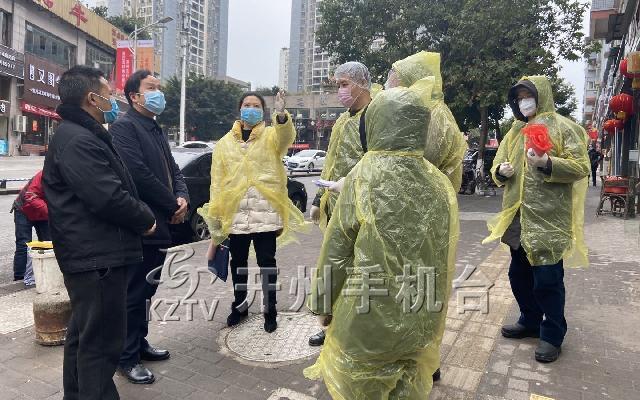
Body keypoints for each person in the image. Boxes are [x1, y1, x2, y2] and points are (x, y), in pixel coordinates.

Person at [304, 82, 459, 399]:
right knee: (407, 383)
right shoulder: (439, 183)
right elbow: (444, 254)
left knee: (361, 385)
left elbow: (338, 250)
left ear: (374, 122)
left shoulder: (363, 175)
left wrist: (323, 302)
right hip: (422, 306)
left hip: (368, 313)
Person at [42, 65, 156, 400]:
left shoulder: (81, 134)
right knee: (101, 345)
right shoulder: (77, 139)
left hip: (93, 256)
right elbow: (107, 196)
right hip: (97, 258)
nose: (113, 99)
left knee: (84, 338)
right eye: (109, 93)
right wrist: (145, 219)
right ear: (92, 98)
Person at [484, 75, 590, 363]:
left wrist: (547, 164)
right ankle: (529, 320)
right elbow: (496, 164)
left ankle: (552, 334)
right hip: (518, 219)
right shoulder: (514, 132)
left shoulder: (564, 128)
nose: (523, 102)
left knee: (547, 279)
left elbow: (581, 166)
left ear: (540, 95)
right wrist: (501, 172)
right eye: (517, 98)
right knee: (518, 275)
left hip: (548, 220)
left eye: (526, 95)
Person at [199, 91, 306, 333]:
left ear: (262, 111)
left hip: (265, 214)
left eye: (256, 105)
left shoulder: (271, 137)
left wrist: (281, 115)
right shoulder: (224, 143)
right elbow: (217, 180)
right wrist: (215, 216)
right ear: (239, 109)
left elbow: (286, 138)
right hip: (235, 215)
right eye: (247, 105)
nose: (251, 108)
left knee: (267, 264)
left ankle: (271, 311)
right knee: (238, 265)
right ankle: (240, 306)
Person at [110, 69, 189, 384]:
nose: (159, 93)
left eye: (160, 87)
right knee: (133, 293)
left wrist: (183, 197)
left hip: (162, 225)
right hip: (142, 225)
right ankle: (125, 358)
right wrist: (173, 204)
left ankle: (139, 344)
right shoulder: (124, 128)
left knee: (147, 291)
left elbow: (174, 170)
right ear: (134, 96)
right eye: (151, 88)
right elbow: (138, 174)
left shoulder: (154, 129)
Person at [308, 61, 373, 347]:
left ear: (362, 83)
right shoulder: (343, 121)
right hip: (337, 206)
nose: (341, 91)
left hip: (364, 209)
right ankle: (330, 324)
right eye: (338, 85)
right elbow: (331, 161)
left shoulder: (376, 117)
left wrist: (357, 185)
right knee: (335, 267)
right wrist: (317, 199)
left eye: (345, 84)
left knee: (363, 270)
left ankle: (355, 325)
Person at [384, 51, 467, 192]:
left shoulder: (435, 115)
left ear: (414, 83)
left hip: (427, 196)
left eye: (396, 87)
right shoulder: (419, 112)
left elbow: (422, 161)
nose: (391, 92)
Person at [11, 170, 50, 285]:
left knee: (48, 243)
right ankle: (19, 277)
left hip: (43, 213)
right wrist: (51, 212)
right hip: (23, 209)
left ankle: (45, 273)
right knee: (23, 244)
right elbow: (30, 195)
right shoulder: (45, 174)